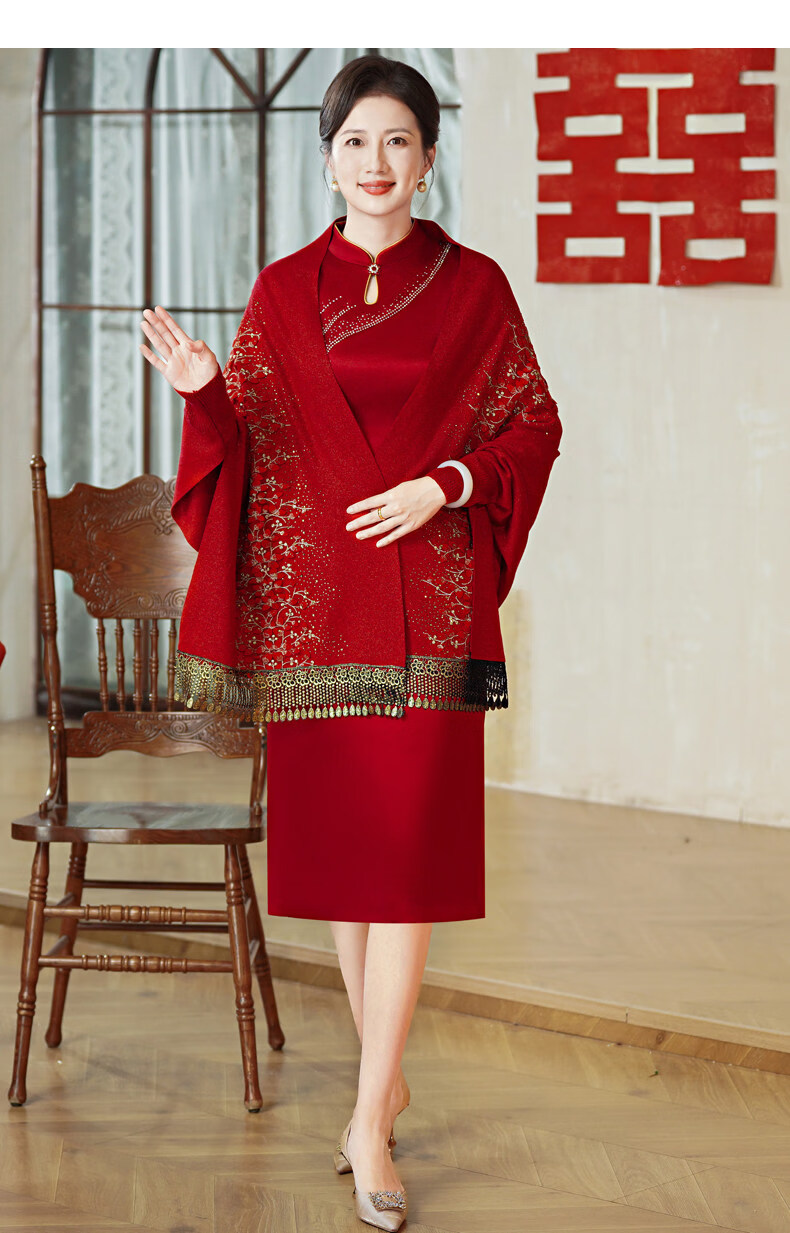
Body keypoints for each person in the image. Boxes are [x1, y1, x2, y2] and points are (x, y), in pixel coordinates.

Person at [139, 53, 561, 1232]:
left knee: (408, 865)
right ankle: (384, 1078)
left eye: (397, 141)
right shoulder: (282, 293)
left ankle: (369, 1119)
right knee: (343, 865)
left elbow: (534, 425)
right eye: (355, 142)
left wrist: (446, 484)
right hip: (314, 614)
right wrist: (204, 391)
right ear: (327, 160)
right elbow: (249, 446)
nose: (376, 162)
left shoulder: (475, 288)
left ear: (428, 158)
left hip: (431, 607)